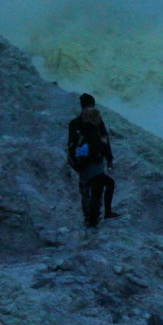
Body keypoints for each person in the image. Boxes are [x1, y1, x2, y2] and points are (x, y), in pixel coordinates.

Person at [66, 94, 116, 228]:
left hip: (85, 164)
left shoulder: (76, 123)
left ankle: (91, 219)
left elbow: (71, 146)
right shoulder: (94, 122)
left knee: (89, 192)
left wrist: (76, 164)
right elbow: (104, 140)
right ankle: (94, 220)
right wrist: (108, 159)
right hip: (93, 162)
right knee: (96, 190)